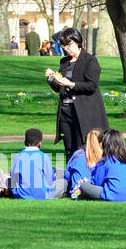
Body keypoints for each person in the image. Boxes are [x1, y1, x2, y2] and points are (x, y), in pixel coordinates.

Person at [46, 25, 109, 164]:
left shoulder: (90, 61)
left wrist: (71, 84)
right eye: (64, 46)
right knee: (69, 149)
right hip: (66, 111)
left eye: (69, 44)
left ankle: (87, 180)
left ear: (78, 41)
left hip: (84, 111)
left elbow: (91, 86)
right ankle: (72, 180)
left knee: (84, 148)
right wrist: (51, 78)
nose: (67, 49)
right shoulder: (64, 62)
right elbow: (59, 88)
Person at [78, 128, 126, 201]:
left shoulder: (105, 160)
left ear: (105, 143)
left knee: (84, 186)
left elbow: (97, 182)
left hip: (114, 195)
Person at [9, 128, 65, 199]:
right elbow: (49, 179)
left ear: (25, 141)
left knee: (8, 180)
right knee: (64, 182)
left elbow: (13, 178)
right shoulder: (44, 157)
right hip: (43, 195)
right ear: (39, 143)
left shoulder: (17, 157)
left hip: (21, 195)